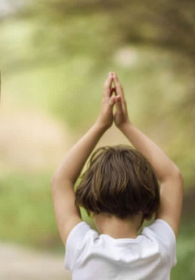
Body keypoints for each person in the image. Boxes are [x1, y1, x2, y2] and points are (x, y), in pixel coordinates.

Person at [51, 72, 183, 280]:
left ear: (92, 207)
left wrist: (100, 125)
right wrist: (126, 125)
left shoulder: (83, 249)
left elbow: (61, 180)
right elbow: (172, 176)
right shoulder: (159, 249)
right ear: (148, 207)